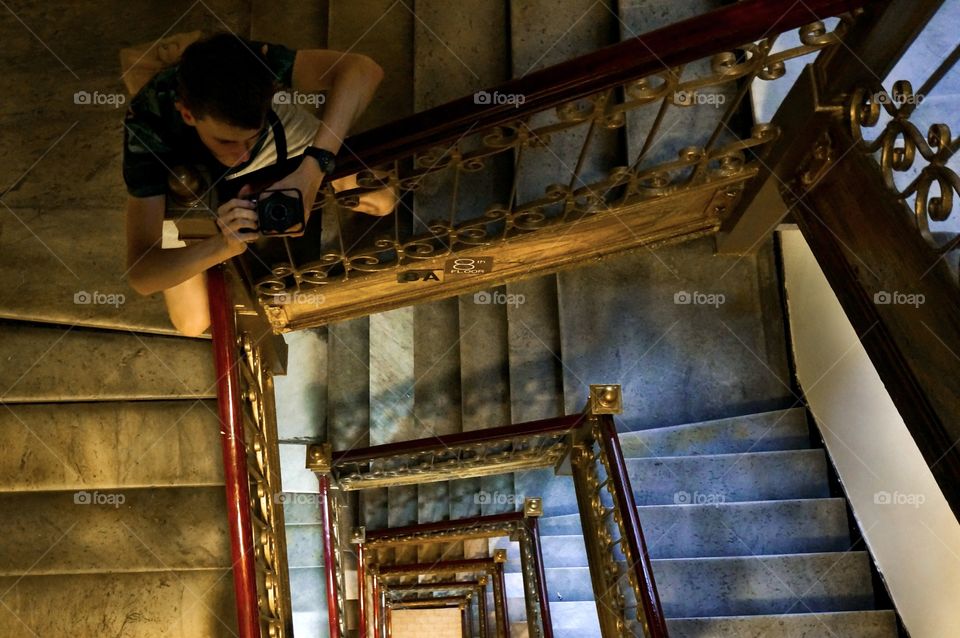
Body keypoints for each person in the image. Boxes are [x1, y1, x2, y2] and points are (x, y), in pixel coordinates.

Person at [122, 32, 389, 336]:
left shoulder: (253, 62)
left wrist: (313, 170)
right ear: (188, 114)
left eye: (250, 137)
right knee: (191, 323)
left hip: (279, 137)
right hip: (190, 184)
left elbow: (363, 69)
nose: (242, 154)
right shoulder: (147, 126)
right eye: (226, 141)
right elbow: (142, 274)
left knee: (383, 201)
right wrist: (222, 246)